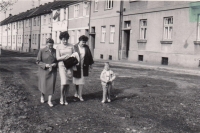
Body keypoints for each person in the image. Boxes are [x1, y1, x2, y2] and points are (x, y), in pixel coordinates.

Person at [36, 38, 57, 107]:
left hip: (52, 70)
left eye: (51, 45)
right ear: (46, 44)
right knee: (44, 84)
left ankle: (49, 100)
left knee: (51, 85)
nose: (50, 47)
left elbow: (57, 60)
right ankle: (42, 96)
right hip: (44, 70)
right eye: (49, 45)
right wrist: (45, 65)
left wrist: (55, 64)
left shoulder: (55, 51)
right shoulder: (42, 51)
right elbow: (38, 61)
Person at [73, 35, 94, 101]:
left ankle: (80, 95)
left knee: (81, 81)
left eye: (85, 42)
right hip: (76, 66)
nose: (83, 43)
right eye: (82, 42)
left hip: (83, 66)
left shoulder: (86, 47)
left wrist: (90, 64)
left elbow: (89, 55)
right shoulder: (74, 47)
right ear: (79, 41)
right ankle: (76, 92)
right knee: (76, 81)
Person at [56, 31, 74, 105]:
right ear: (61, 39)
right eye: (63, 39)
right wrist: (64, 57)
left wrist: (72, 57)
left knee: (67, 83)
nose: (65, 41)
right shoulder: (58, 47)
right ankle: (61, 97)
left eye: (66, 39)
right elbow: (57, 58)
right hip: (62, 65)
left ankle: (65, 98)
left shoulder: (71, 46)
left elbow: (74, 55)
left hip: (70, 66)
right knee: (63, 83)